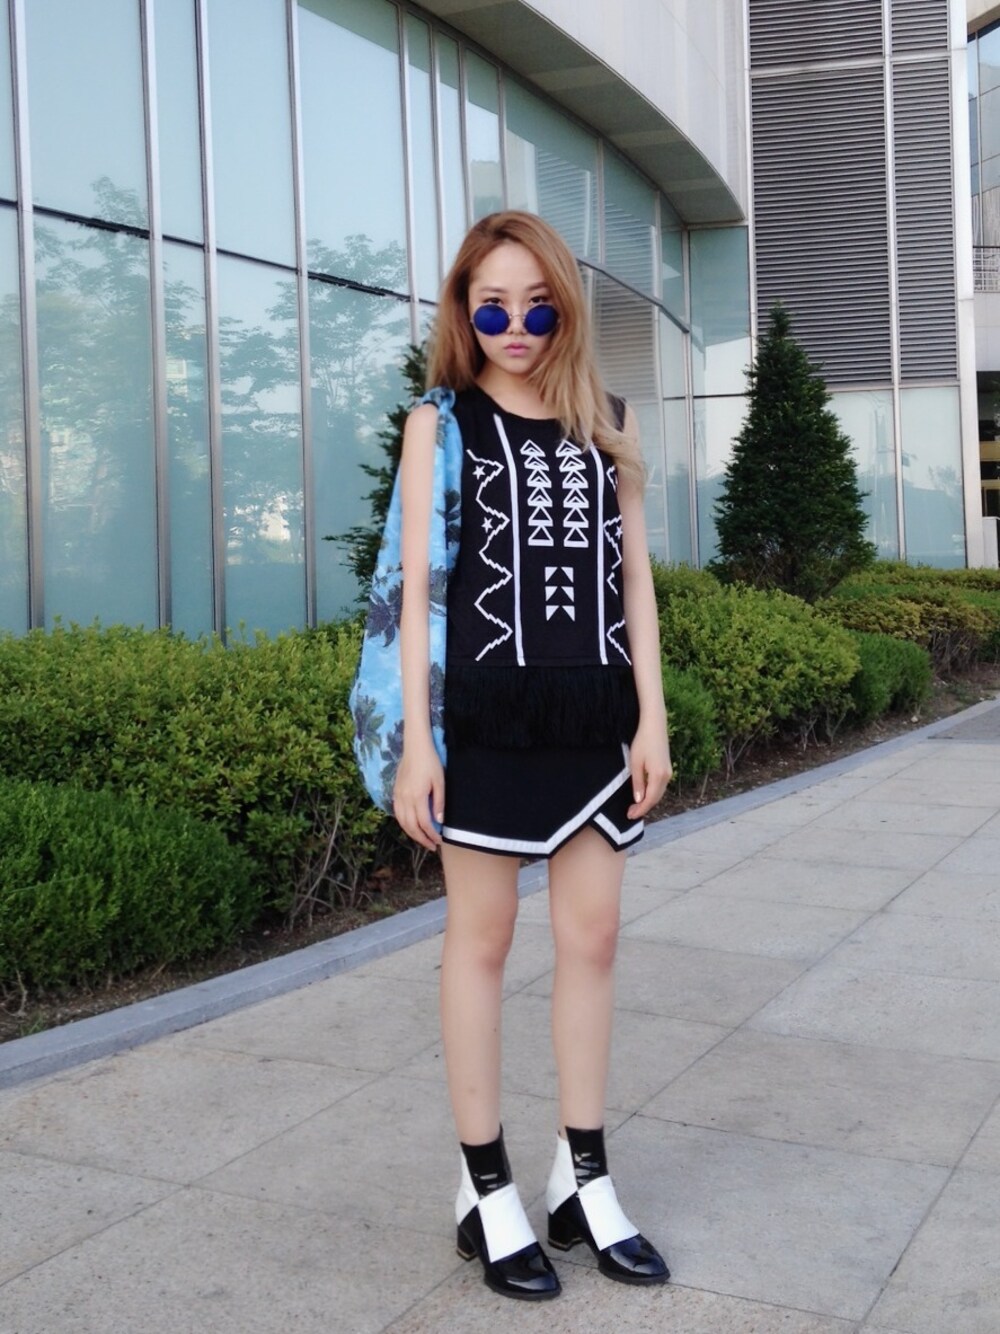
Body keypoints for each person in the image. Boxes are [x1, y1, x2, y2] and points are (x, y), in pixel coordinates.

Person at [392, 211, 673, 1301]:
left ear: (567, 309)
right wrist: (418, 743)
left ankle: (582, 1182)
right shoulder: (440, 422)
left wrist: (650, 719)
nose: (515, 327)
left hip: (593, 721)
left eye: (538, 307)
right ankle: (485, 1189)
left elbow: (634, 578)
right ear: (464, 314)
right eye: (492, 307)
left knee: (592, 940)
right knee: (482, 941)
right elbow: (417, 593)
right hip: (485, 727)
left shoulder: (610, 420)